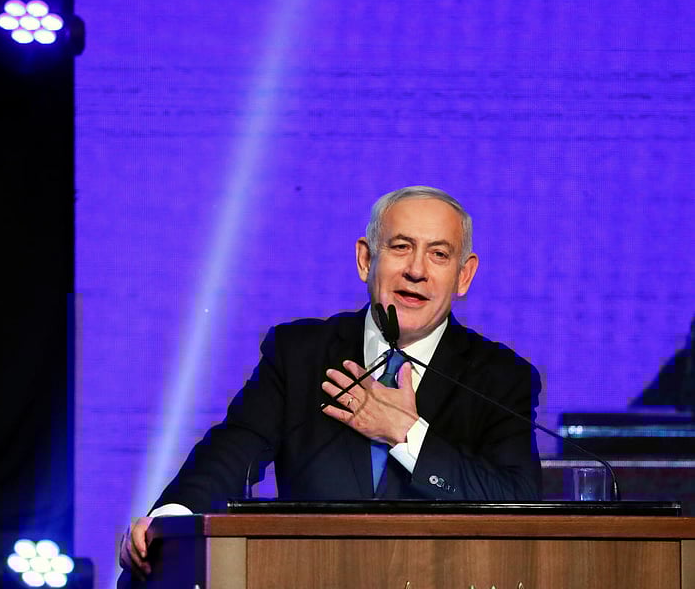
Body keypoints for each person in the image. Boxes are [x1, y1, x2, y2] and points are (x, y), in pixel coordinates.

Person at [119, 186, 542, 580]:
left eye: (439, 254)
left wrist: (408, 436)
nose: (416, 270)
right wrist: (174, 515)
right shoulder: (300, 353)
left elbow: (519, 500)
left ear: (463, 276)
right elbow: (234, 449)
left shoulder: (500, 377)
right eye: (400, 247)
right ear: (365, 259)